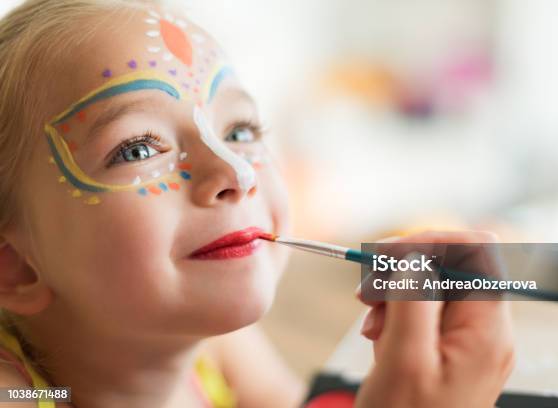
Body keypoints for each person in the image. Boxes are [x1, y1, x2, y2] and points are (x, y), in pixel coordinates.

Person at [0, 1, 514, 406]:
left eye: (240, 130)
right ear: (15, 265)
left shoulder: (211, 344)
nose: (236, 172)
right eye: (138, 149)